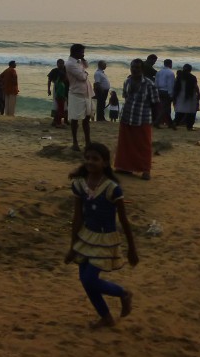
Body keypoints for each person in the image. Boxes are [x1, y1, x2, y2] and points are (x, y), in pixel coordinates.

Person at [65, 142, 138, 328]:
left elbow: (123, 220)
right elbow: (77, 217)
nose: (90, 162)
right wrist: (72, 246)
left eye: (95, 159)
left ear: (105, 163)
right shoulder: (80, 185)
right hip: (85, 236)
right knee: (85, 280)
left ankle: (123, 293)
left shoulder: (112, 189)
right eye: (87, 158)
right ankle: (106, 317)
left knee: (89, 279)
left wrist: (132, 248)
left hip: (105, 239)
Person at [114, 58, 159, 180]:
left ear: (142, 69)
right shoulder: (127, 82)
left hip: (142, 118)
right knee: (126, 144)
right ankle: (125, 167)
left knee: (143, 145)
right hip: (127, 116)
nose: (134, 70)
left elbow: (155, 103)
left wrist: (155, 120)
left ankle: (146, 170)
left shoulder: (150, 84)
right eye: (133, 67)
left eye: (137, 68)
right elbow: (126, 97)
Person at [65, 44, 94, 151]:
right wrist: (85, 73)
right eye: (81, 52)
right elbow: (82, 77)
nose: (83, 54)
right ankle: (75, 142)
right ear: (74, 52)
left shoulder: (78, 62)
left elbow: (86, 66)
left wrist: (83, 59)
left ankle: (88, 141)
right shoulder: (69, 64)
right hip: (76, 94)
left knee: (87, 118)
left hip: (86, 93)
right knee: (75, 119)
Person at [172, 64, 200, 131]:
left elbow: (175, 86)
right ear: (190, 70)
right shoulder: (192, 77)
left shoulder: (179, 76)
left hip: (180, 95)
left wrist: (174, 96)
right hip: (190, 95)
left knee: (180, 111)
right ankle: (189, 127)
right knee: (191, 112)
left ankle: (175, 123)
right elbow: (195, 86)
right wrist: (198, 93)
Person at [155, 59, 176, 128]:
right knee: (165, 108)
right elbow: (170, 84)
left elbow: (156, 82)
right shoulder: (170, 73)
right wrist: (171, 94)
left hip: (159, 91)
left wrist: (156, 91)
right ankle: (157, 121)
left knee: (165, 107)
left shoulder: (159, 72)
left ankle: (170, 123)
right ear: (170, 64)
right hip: (166, 91)